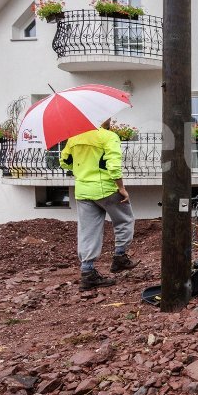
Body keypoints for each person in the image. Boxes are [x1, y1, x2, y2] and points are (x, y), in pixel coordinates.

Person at [60, 118, 138, 291]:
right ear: (101, 118)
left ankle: (87, 273)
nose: (110, 119)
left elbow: (64, 161)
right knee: (124, 220)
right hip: (107, 190)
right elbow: (114, 165)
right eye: (108, 117)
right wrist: (121, 187)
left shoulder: (74, 138)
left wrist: (84, 170)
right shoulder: (108, 137)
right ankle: (120, 257)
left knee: (87, 230)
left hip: (83, 190)